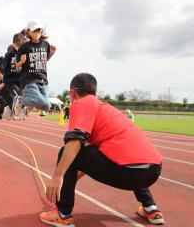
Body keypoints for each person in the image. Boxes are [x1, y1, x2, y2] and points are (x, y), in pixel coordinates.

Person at [40, 73, 164, 226]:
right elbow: (98, 150)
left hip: (128, 173)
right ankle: (151, 208)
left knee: (65, 151)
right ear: (95, 93)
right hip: (153, 172)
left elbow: (75, 141)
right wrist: (75, 172)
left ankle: (62, 214)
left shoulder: (82, 103)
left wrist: (58, 176)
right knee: (132, 157)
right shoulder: (105, 108)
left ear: (73, 93)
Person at [14, 20, 56, 115]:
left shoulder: (46, 44)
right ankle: (21, 100)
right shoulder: (24, 47)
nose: (37, 32)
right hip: (29, 79)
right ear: (29, 32)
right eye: (35, 30)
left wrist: (52, 53)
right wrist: (21, 62)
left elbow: (44, 60)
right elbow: (17, 66)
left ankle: (28, 103)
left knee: (47, 106)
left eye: (39, 30)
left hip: (42, 79)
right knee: (39, 101)